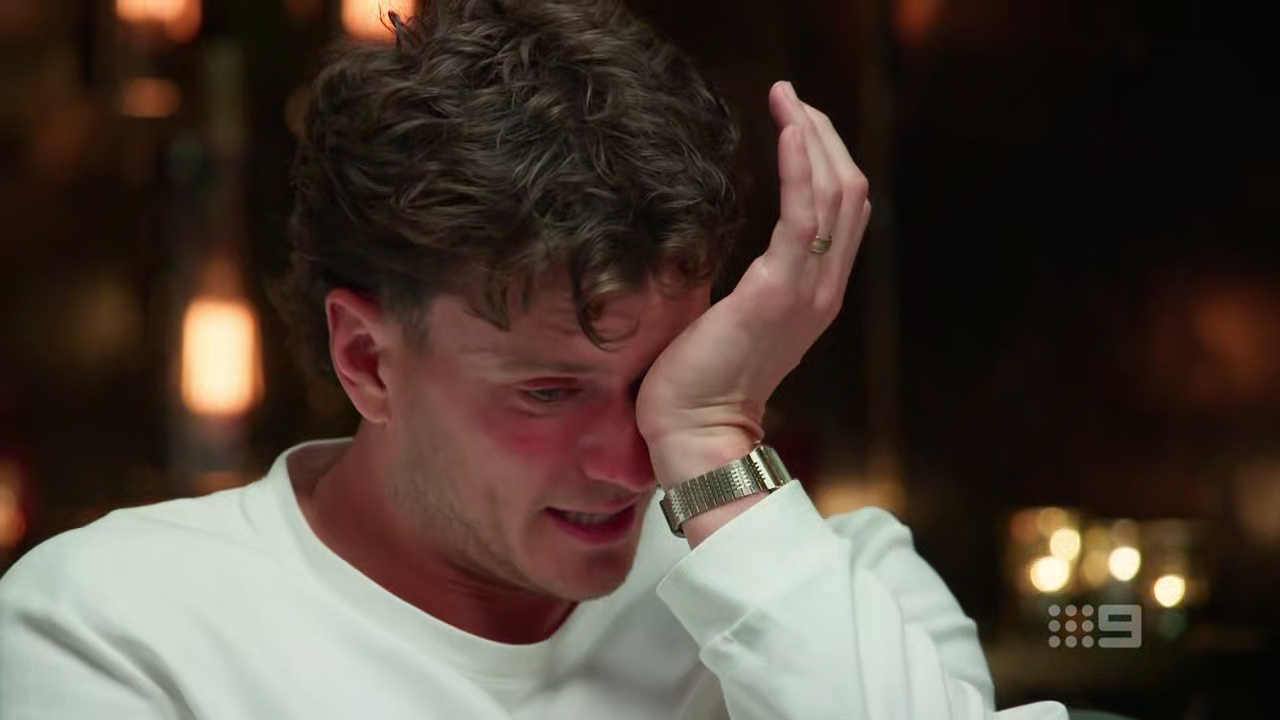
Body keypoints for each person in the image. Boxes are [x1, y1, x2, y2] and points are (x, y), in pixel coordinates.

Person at [0, 1, 1067, 718]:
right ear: (367, 360)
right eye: (549, 391)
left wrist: (711, 442)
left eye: (666, 380)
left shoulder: (832, 590)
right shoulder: (115, 625)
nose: (630, 462)